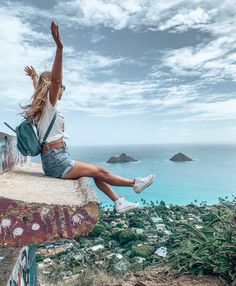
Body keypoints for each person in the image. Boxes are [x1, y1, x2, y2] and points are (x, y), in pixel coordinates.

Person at [21, 21, 156, 214]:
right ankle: (135, 183)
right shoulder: (49, 106)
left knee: (95, 172)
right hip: (57, 160)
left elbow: (40, 88)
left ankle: (119, 201)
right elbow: (56, 80)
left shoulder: (42, 107)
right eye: (60, 88)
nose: (61, 90)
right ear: (52, 88)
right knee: (100, 171)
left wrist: (34, 76)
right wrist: (59, 48)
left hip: (54, 159)